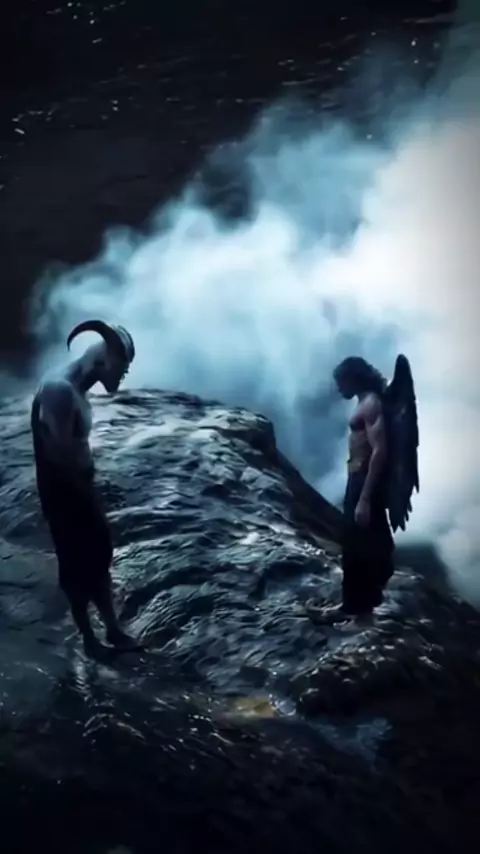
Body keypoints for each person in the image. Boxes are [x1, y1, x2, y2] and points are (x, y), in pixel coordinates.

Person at [31, 319, 142, 658]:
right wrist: (81, 487)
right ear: (104, 360)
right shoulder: (59, 391)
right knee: (76, 561)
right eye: (121, 367)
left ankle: (111, 629)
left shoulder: (74, 390)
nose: (122, 376)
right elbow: (59, 451)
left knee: (98, 553)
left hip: (78, 487)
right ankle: (90, 640)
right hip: (64, 491)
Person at [327, 354, 419, 628]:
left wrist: (365, 497)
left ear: (354, 378)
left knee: (362, 543)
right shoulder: (364, 401)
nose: (339, 388)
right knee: (354, 542)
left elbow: (380, 450)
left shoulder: (371, 404)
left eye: (342, 381)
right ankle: (353, 605)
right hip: (357, 476)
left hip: (365, 480)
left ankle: (360, 611)